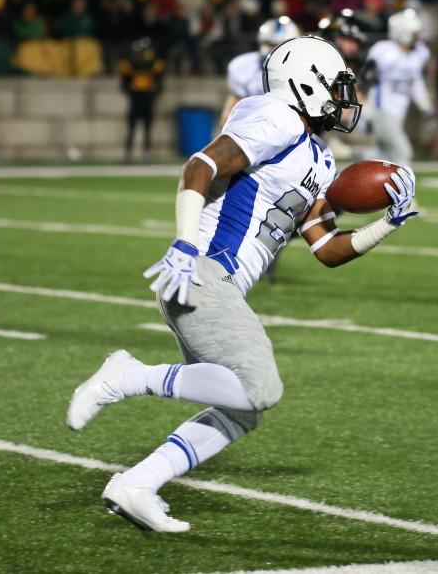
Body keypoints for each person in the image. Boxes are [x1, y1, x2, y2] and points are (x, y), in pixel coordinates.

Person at [66, 35, 419, 532]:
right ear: (307, 86)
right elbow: (201, 166)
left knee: (242, 409)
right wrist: (186, 245)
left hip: (221, 286)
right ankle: (127, 375)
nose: (347, 100)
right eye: (338, 88)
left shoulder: (320, 160)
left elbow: (326, 249)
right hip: (203, 270)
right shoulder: (276, 117)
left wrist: (388, 223)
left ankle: (137, 484)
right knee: (262, 388)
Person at [363, 8, 433, 165]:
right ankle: (405, 187)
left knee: (384, 156)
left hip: (400, 111)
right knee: (402, 151)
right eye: (415, 33)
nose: (418, 37)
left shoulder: (418, 54)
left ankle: (363, 167)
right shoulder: (384, 51)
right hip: (382, 109)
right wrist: (366, 112)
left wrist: (425, 105)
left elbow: (415, 82)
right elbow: (368, 80)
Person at [219, 16, 300, 125]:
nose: (275, 50)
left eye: (281, 45)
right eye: (271, 44)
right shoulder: (243, 66)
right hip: (252, 125)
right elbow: (233, 107)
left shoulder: (305, 69)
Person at [118, 38, 165, 164]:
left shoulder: (155, 64)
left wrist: (153, 91)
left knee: (147, 128)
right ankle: (128, 154)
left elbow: (160, 83)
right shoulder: (129, 65)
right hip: (136, 98)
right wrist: (131, 90)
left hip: (147, 98)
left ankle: (145, 155)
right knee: (132, 127)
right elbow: (123, 84)